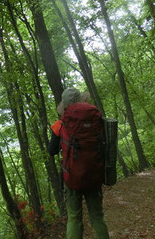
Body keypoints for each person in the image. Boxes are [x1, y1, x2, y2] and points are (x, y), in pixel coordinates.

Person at [48, 88, 110, 239]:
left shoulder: (60, 125)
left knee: (74, 219)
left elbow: (51, 151)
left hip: (72, 178)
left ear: (65, 105)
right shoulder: (96, 120)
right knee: (97, 217)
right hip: (94, 175)